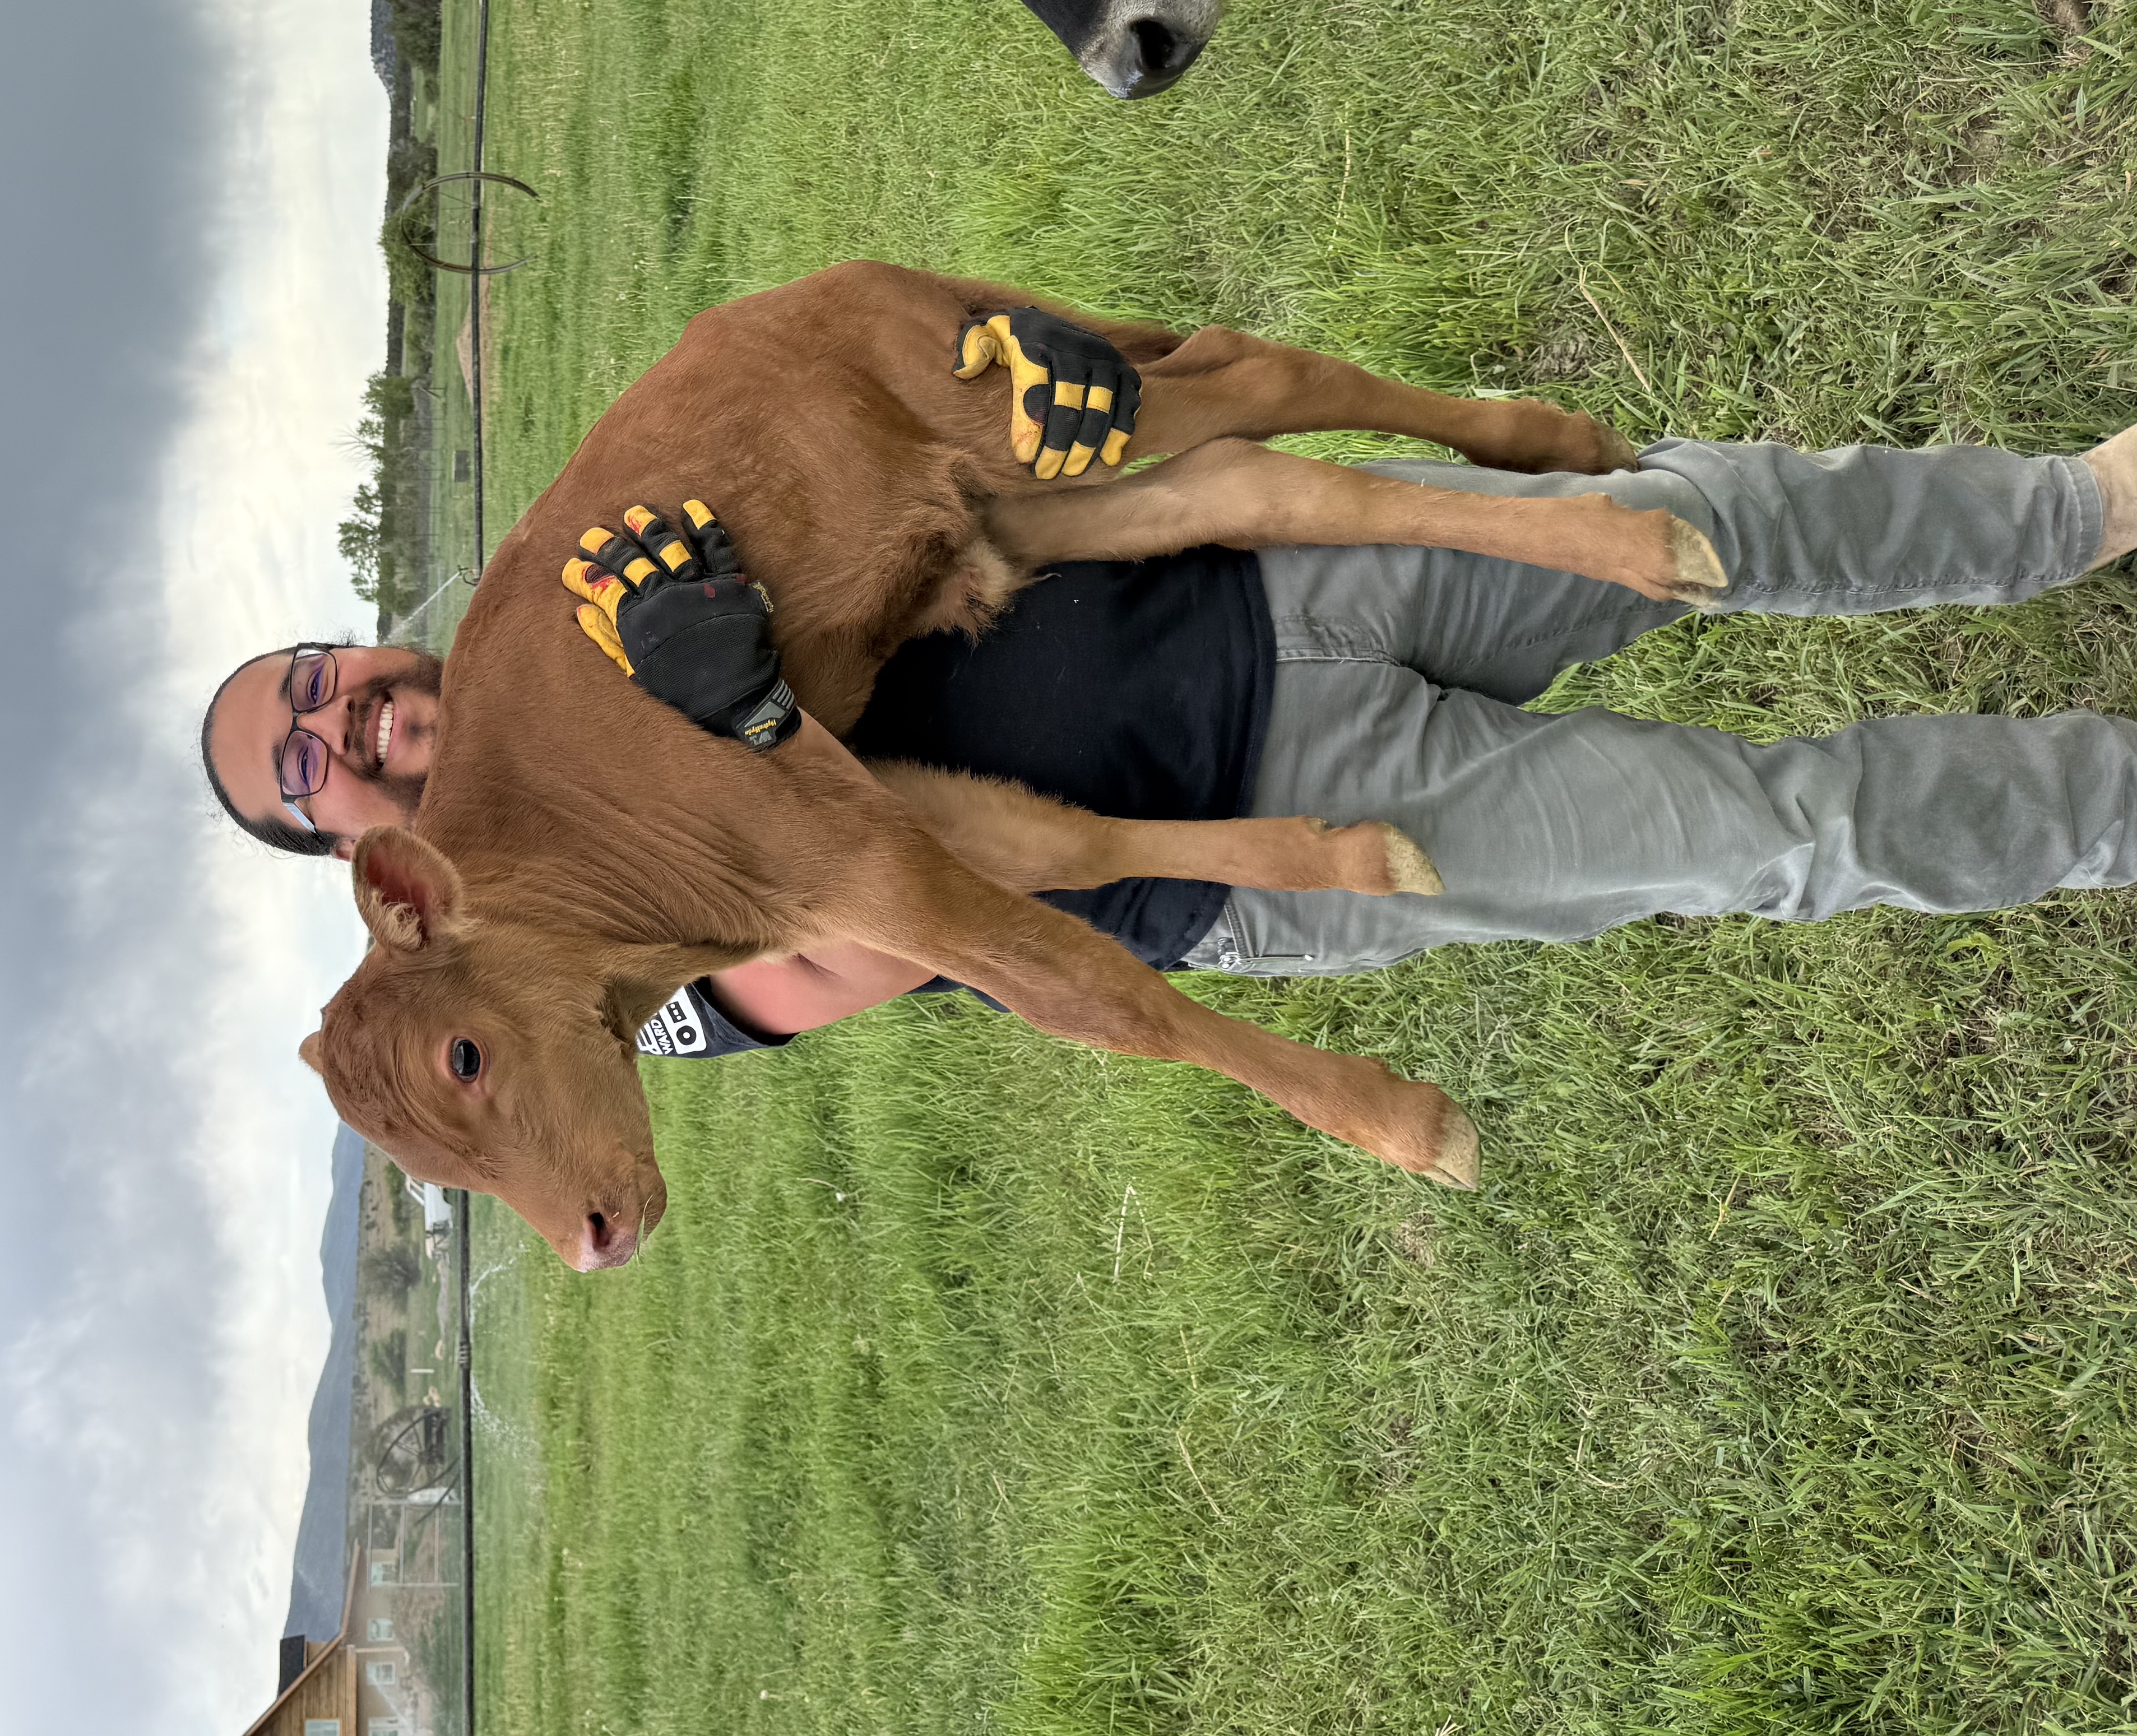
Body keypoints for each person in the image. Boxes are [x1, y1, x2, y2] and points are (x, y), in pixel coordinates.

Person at [205, 420, 2137, 1063]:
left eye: (316, 676)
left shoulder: (580, 566)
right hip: (1276, 832)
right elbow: (863, 953)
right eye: (310, 766)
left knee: (1715, 517)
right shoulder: (573, 978)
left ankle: (2076, 511)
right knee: (1764, 831)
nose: (346, 718)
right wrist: (757, 725)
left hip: (1268, 566)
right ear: (358, 857)